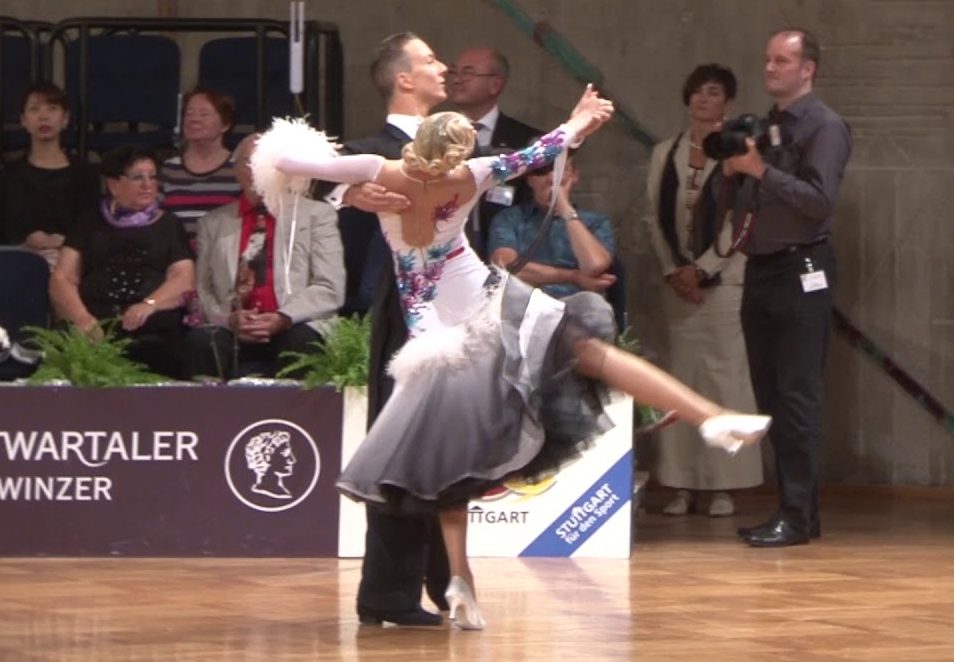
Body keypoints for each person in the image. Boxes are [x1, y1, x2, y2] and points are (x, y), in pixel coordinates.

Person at [252, 84, 771, 630]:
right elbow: (545, 149)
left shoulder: (378, 169)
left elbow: (284, 158)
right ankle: (710, 418)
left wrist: (343, 182)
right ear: (459, 152)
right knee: (589, 351)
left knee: (449, 460)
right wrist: (581, 120)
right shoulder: (470, 176)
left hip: (433, 333)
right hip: (489, 305)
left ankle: (460, 578)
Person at [311, 31, 449, 628]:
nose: (442, 67)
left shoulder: (453, 141)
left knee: (448, 449)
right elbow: (296, 171)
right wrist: (347, 191)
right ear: (404, 79)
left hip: (460, 309)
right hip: (406, 317)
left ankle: (449, 582)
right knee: (404, 449)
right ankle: (387, 593)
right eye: (430, 60)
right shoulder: (374, 147)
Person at [725, 29, 852, 548]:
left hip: (803, 271)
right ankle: (794, 510)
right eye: (767, 59)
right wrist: (733, 171)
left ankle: (798, 516)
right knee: (771, 396)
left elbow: (819, 202)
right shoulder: (766, 125)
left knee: (798, 398)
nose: (771, 68)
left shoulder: (825, 126)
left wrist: (759, 170)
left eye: (783, 60)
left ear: (808, 69)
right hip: (761, 269)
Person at [642, 63, 762, 518]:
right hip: (678, 289)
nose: (702, 100)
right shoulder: (664, 151)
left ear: (727, 102)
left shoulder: (738, 151)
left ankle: (722, 487)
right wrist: (675, 270)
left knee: (723, 381)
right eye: (696, 92)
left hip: (725, 285)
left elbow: (743, 221)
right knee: (680, 384)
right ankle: (681, 483)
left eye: (712, 93)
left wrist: (704, 270)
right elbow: (654, 216)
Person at [186, 134, 344, 380]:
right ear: (236, 170)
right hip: (234, 327)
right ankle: (209, 415)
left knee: (301, 342)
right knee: (204, 341)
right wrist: (228, 318)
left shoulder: (317, 215)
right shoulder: (213, 222)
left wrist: (284, 317)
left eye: (267, 163)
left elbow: (329, 286)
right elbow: (203, 288)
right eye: (250, 162)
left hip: (294, 323)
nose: (257, 171)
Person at [50, 145, 195, 378]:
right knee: (66, 347)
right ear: (113, 185)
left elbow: (183, 278)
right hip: (94, 319)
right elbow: (62, 278)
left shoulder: (169, 225)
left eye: (152, 176)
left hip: (151, 322)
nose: (148, 184)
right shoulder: (88, 222)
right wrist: (82, 319)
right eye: (138, 177)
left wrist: (150, 304)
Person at [446, 46, 544, 258]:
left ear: (495, 84)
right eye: (454, 71)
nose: (457, 79)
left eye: (468, 73)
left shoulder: (527, 141)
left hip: (507, 257)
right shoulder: (435, 135)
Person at [488, 151, 617, 300]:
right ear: (530, 179)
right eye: (542, 172)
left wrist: (565, 209)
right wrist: (573, 277)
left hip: (576, 302)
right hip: (525, 299)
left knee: (595, 306)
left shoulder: (596, 222)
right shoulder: (510, 218)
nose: (551, 178)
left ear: (574, 176)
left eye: (561, 170)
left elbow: (595, 266)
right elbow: (507, 267)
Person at [0, 82, 99, 269]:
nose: (43, 117)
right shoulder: (8, 175)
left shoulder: (84, 173)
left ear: (65, 118)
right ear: (23, 120)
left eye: (52, 108)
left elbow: (91, 228)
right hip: (20, 260)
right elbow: (4, 231)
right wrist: (25, 242)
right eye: (34, 109)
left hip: (71, 260)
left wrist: (63, 243)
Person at [160, 86, 241, 243]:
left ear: (225, 125)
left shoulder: (239, 169)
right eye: (189, 114)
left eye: (204, 114)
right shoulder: (169, 169)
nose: (194, 119)